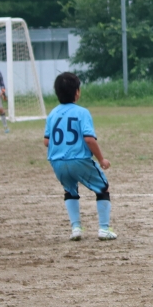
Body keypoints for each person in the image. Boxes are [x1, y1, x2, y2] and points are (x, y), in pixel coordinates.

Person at [45, 72, 116, 241]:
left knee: (69, 190)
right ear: (77, 92)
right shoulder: (82, 112)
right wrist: (101, 159)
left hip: (57, 162)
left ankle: (76, 228)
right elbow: (89, 139)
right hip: (79, 160)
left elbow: (46, 141)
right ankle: (104, 229)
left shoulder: (52, 114)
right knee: (102, 188)